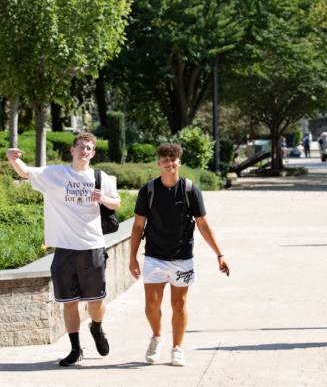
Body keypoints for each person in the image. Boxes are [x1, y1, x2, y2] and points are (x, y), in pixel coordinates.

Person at [6, 132, 120, 366]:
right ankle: (75, 349)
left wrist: (105, 200)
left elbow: (116, 201)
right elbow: (25, 172)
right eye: (80, 146)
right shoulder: (55, 174)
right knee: (69, 302)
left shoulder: (100, 176)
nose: (84, 151)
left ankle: (97, 328)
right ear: (72, 150)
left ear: (93, 153)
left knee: (96, 301)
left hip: (92, 246)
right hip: (65, 249)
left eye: (88, 148)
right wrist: (11, 157)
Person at [130, 143, 229, 367]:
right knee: (151, 306)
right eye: (165, 159)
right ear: (159, 163)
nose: (169, 163)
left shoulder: (190, 190)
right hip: (154, 257)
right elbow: (137, 226)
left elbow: (203, 224)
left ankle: (177, 348)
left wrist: (219, 254)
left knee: (178, 304)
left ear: (179, 162)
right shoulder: (149, 190)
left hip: (183, 258)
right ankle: (157, 336)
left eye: (173, 159)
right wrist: (132, 257)